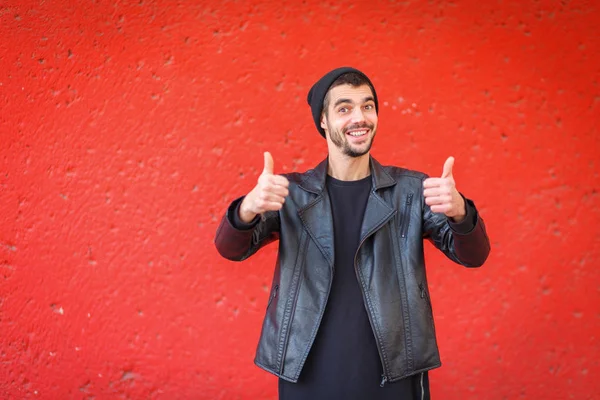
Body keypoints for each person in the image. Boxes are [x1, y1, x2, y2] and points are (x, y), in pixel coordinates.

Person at [214, 67, 490, 400]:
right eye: (344, 108)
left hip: (393, 374)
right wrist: (248, 208)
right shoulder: (291, 193)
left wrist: (460, 212)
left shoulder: (411, 191)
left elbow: (474, 255)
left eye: (367, 106)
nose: (359, 117)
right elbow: (230, 248)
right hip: (306, 370)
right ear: (323, 121)